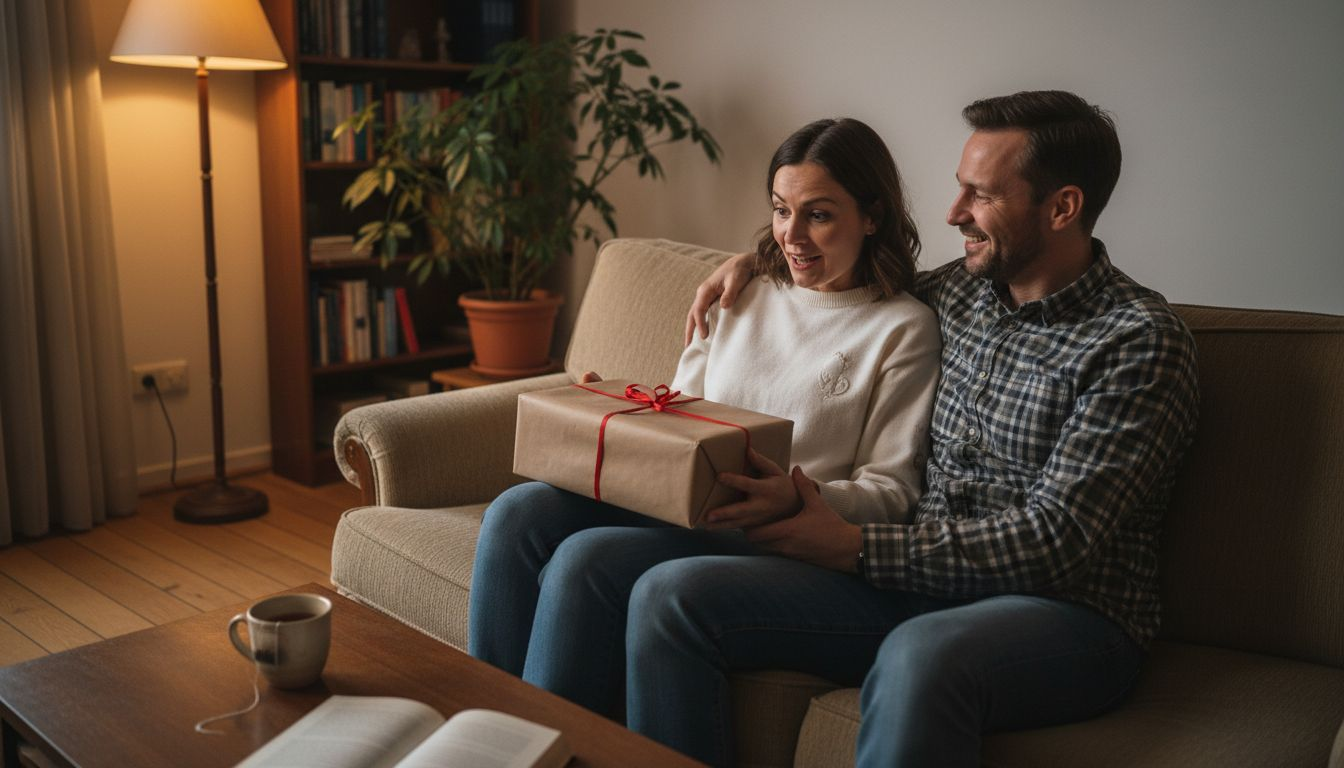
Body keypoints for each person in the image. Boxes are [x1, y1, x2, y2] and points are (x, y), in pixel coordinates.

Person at [660, 90, 1200, 766]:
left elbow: (1057, 541)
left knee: (921, 656)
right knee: (674, 595)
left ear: (1062, 207)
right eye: (958, 189)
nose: (954, 214)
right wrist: (756, 263)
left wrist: (856, 548)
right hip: (911, 587)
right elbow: (842, 288)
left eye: (981, 195)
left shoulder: (1139, 343)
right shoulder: (956, 292)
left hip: (1065, 614)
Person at [467, 118, 942, 727]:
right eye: (780, 210)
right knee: (518, 512)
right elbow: (682, 415)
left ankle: (546, 745)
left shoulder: (902, 327)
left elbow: (893, 494)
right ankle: (489, 735)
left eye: (818, 215)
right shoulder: (743, 292)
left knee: (589, 560)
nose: (792, 235)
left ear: (872, 216)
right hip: (680, 507)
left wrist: (797, 497)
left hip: (775, 536)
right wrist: (619, 412)